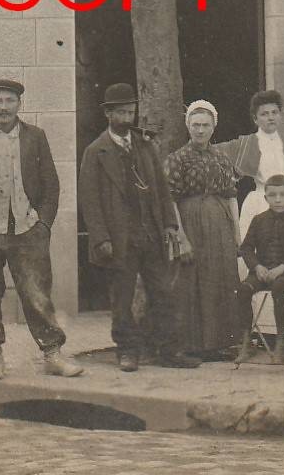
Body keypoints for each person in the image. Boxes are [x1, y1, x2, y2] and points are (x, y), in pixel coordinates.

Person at [0, 78, 83, 381]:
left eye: (9, 101)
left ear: (20, 104)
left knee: (37, 294)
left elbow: (52, 185)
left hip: (26, 230)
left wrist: (43, 224)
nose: (3, 107)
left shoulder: (35, 137)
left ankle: (52, 355)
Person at [77, 83, 200, 372]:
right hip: (119, 240)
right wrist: (101, 238)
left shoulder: (145, 146)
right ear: (108, 114)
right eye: (120, 112)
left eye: (130, 111)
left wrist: (170, 225)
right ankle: (127, 351)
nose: (126, 117)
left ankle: (169, 350)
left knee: (163, 293)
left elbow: (160, 188)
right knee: (122, 298)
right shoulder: (96, 152)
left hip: (151, 235)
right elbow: (90, 201)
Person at [166, 99, 243, 360]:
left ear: (214, 127)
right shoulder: (178, 158)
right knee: (191, 282)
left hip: (220, 226)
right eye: (195, 125)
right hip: (190, 224)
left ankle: (218, 344)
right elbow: (171, 199)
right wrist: (181, 238)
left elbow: (232, 195)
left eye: (205, 125)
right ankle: (191, 346)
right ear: (188, 126)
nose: (200, 130)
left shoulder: (222, 158)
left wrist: (237, 232)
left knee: (219, 280)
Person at [234, 175, 284, 364]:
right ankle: (246, 342)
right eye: (272, 195)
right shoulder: (259, 220)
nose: (278, 199)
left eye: (283, 195)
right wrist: (257, 266)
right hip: (263, 272)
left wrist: (283, 267)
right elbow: (246, 247)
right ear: (266, 197)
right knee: (244, 289)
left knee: (279, 287)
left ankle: (281, 342)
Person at [222, 90, 284, 239]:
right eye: (264, 114)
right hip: (261, 203)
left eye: (274, 112)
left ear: (280, 115)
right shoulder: (247, 143)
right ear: (255, 119)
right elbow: (216, 153)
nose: (270, 117)